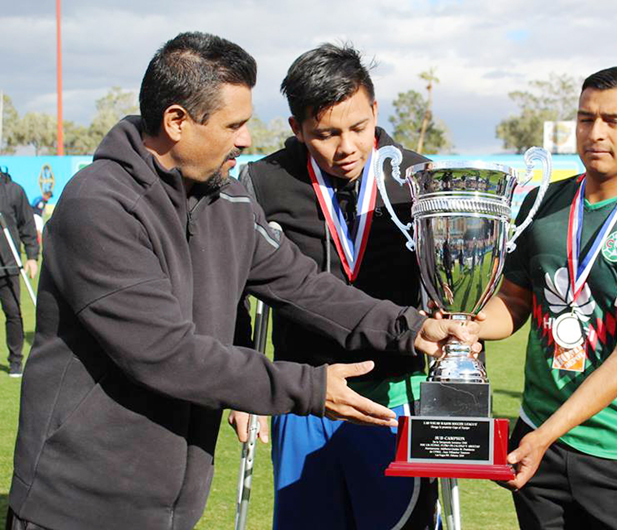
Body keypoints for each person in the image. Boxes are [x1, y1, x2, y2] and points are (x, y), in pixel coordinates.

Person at [6, 32, 479, 530]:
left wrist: (410, 327)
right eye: (234, 125)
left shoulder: (226, 199)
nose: (246, 140)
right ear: (176, 122)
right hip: (78, 504)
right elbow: (165, 353)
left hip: (171, 501)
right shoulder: (99, 207)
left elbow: (304, 285)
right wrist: (311, 386)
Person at [478, 66, 617, 529]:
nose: (595, 133)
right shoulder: (542, 204)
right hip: (537, 438)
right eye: (586, 119)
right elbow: (515, 303)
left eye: (614, 121)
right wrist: (466, 324)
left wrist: (545, 435)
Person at [231, 43, 439, 530]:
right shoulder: (262, 182)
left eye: (358, 128)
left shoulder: (419, 178)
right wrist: (242, 382)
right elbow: (230, 287)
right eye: (325, 134)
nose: (346, 148)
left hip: (393, 400)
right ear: (297, 129)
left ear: (374, 111)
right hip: (303, 399)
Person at [0, 167, 38, 378]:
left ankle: (16, 361)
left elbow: (27, 225)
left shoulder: (14, 190)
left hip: (8, 265)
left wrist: (32, 257)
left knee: (13, 312)